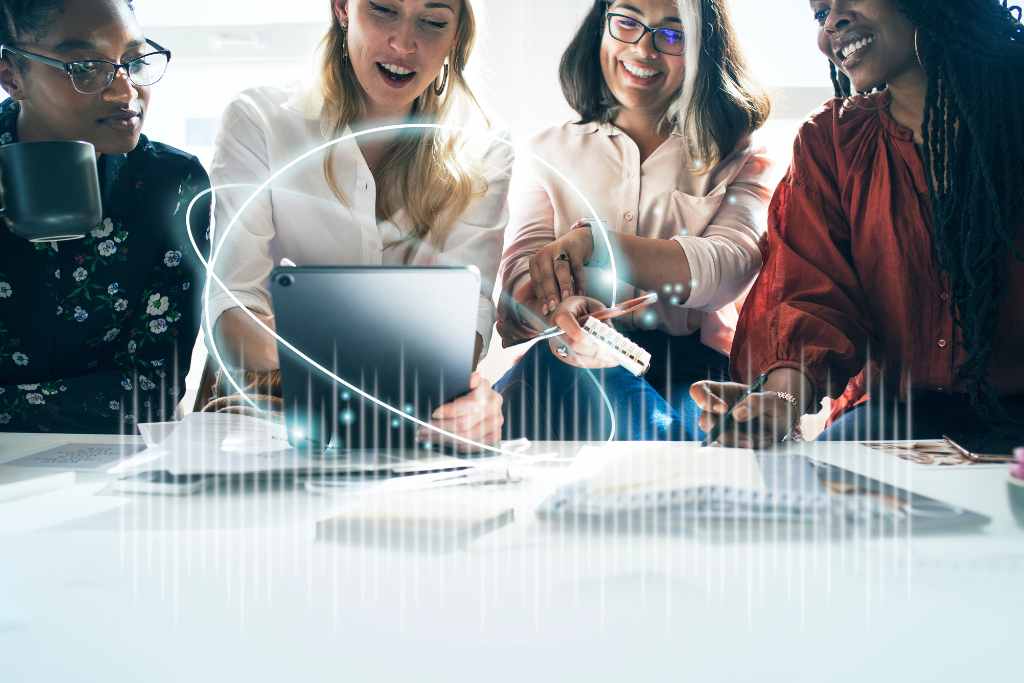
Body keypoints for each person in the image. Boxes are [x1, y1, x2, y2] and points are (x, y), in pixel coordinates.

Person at [692, 0, 1024, 447]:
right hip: (893, 415)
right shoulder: (830, 142)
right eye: (819, 12)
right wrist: (777, 401)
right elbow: (808, 296)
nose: (833, 21)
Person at [206, 0, 510, 450]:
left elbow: (465, 327)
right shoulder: (260, 120)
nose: (404, 43)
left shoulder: (484, 148)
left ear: (457, 34)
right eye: (384, 10)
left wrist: (470, 406)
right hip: (268, 404)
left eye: (432, 22)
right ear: (343, 8)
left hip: (412, 415)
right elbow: (232, 309)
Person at [494, 0, 772, 441]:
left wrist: (597, 245)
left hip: (691, 370)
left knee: (693, 443)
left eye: (673, 35)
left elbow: (730, 266)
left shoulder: (738, 154)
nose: (644, 50)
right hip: (571, 357)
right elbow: (518, 283)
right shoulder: (546, 151)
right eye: (627, 22)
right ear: (601, 28)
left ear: (704, 48)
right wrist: (559, 309)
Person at [0, 0, 211, 434]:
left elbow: (150, 393)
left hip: (108, 471)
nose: (124, 91)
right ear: (12, 76)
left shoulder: (172, 184)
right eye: (84, 67)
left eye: (134, 61)